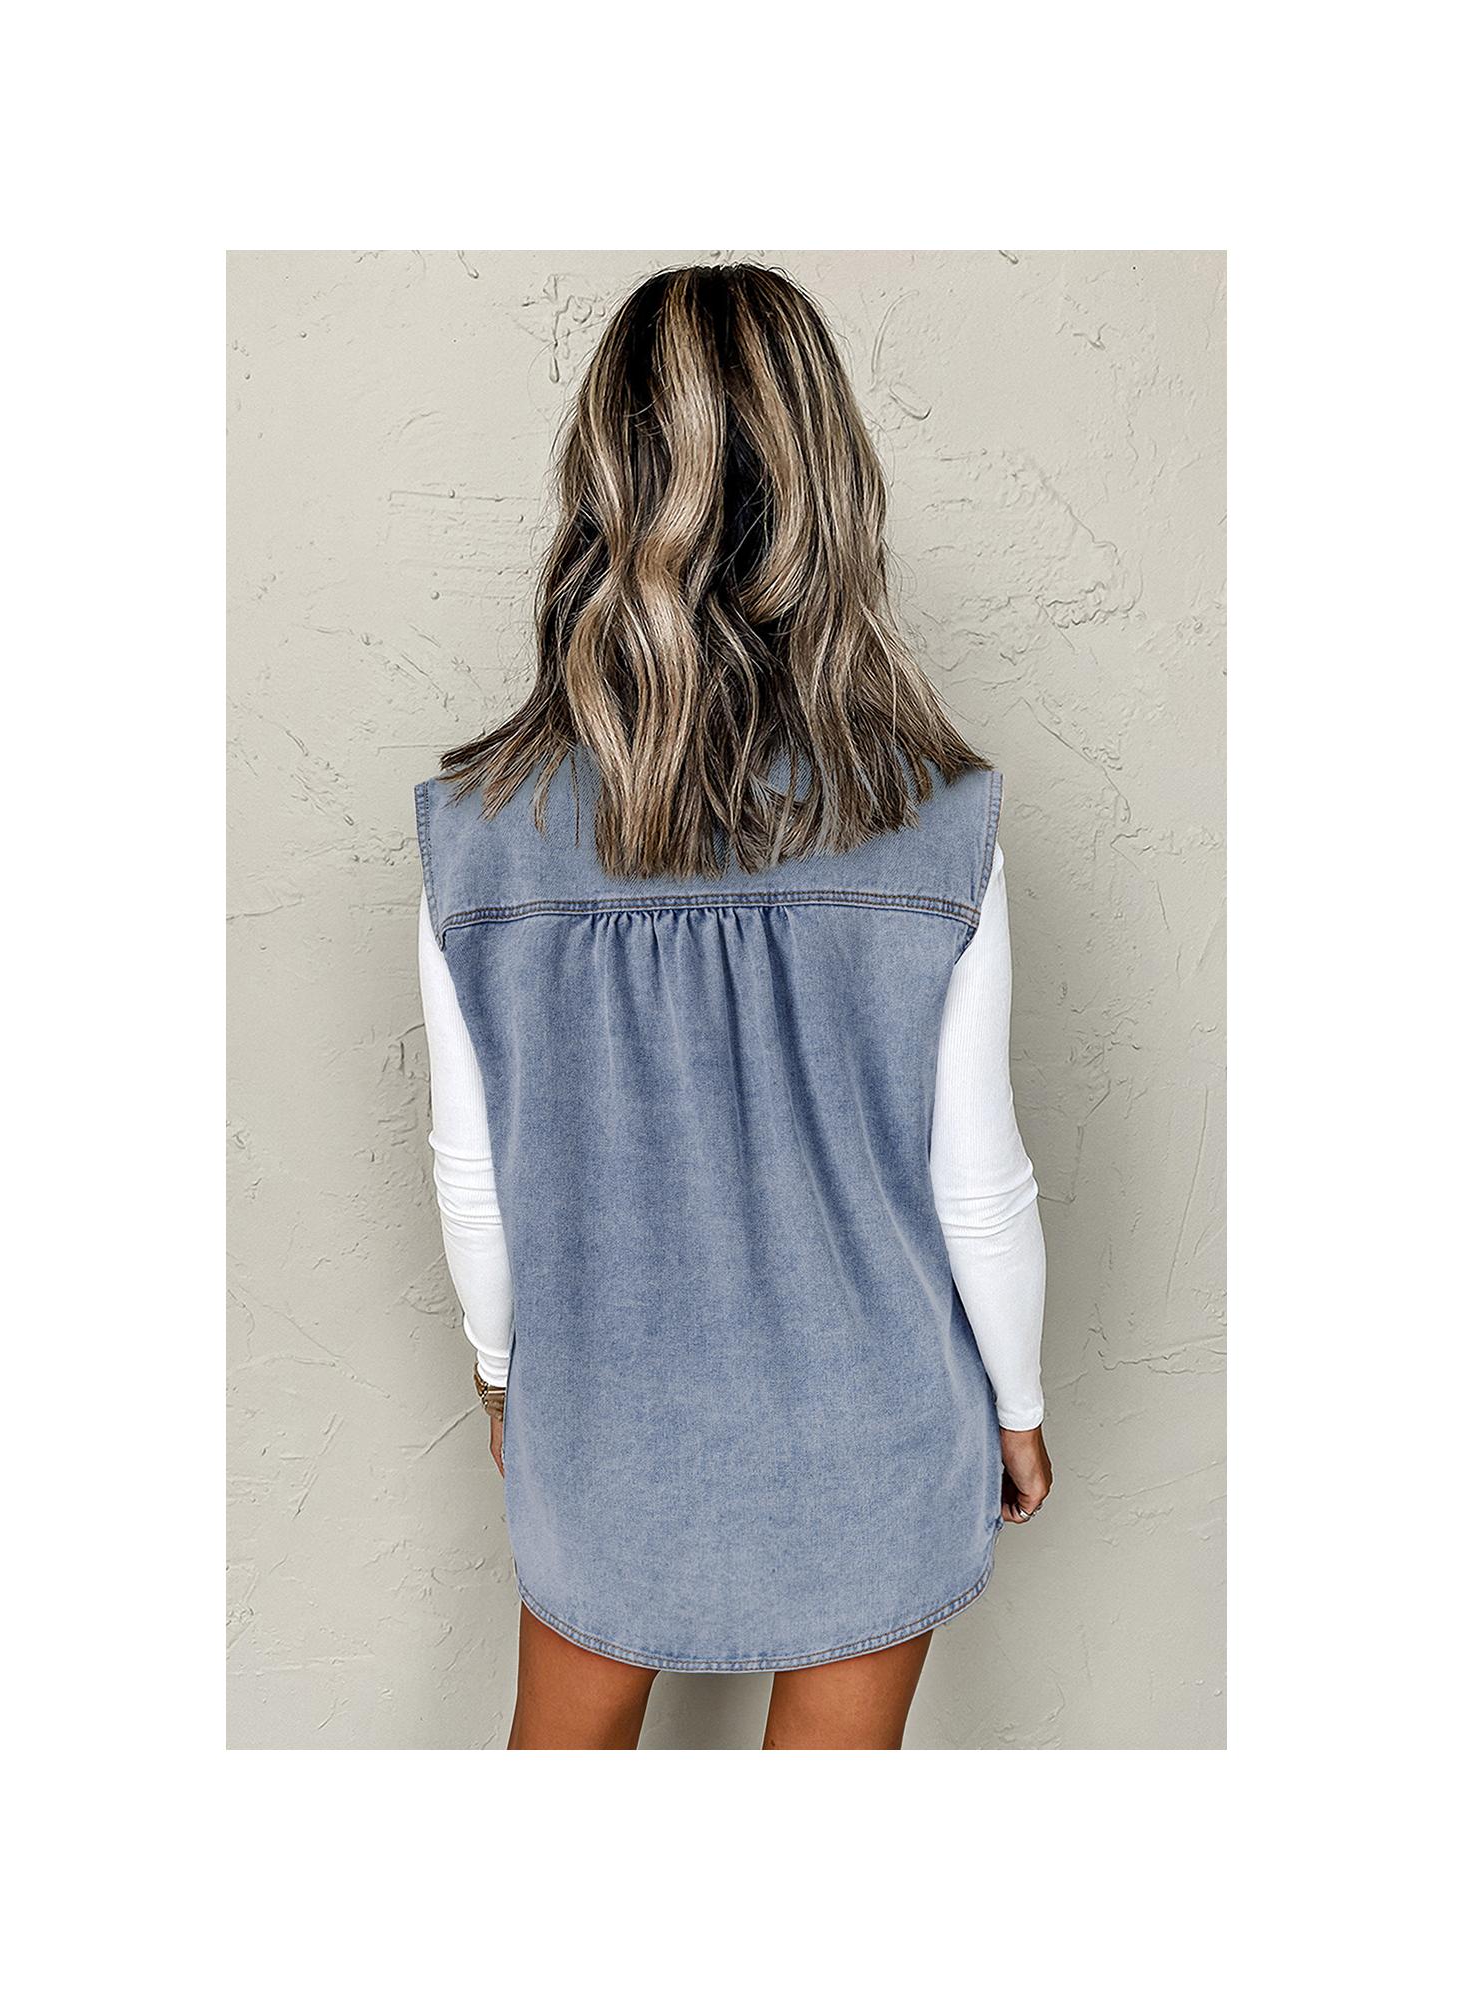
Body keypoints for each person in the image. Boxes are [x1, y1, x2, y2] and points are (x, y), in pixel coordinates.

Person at [415, 263, 1051, 1750]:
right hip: (875, 1426)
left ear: (604, 482)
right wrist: (1015, 1402)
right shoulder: (940, 816)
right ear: (833, 488)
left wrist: (507, 1380)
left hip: (603, 1426)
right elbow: (979, 1185)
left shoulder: (476, 826)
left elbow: (473, 1181)